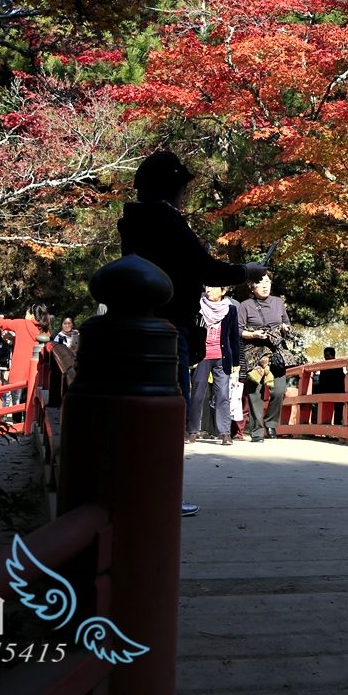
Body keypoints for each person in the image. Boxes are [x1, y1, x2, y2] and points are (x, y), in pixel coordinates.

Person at [118, 150, 266, 514]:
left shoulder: (134, 222)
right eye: (182, 186)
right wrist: (245, 271)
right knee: (169, 409)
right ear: (172, 187)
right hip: (169, 327)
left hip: (136, 326)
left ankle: (135, 488)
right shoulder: (167, 222)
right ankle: (162, 493)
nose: (185, 193)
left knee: (142, 411)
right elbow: (205, 269)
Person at [238, 273, 291, 441]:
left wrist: (285, 328)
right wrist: (253, 334)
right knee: (255, 392)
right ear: (252, 287)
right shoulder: (245, 305)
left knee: (279, 390)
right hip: (254, 351)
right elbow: (238, 330)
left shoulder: (277, 302)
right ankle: (257, 431)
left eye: (267, 281)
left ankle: (271, 423)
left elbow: (288, 324)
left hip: (276, 351)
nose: (265, 285)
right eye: (260, 282)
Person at [193, 285, 243, 445]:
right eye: (207, 286)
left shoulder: (230, 309)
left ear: (223, 291)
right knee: (198, 392)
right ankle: (192, 430)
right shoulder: (198, 305)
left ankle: (225, 433)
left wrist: (236, 361)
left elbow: (234, 336)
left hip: (222, 356)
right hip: (201, 356)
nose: (209, 290)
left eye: (214, 287)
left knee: (222, 394)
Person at [312, 345, 346, 426]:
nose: (326, 358)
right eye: (325, 356)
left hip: (337, 390)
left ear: (333, 356)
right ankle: (325, 426)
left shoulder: (338, 365)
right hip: (326, 390)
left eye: (328, 355)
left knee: (338, 410)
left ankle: (337, 425)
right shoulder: (324, 365)